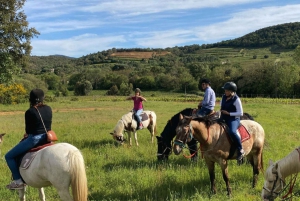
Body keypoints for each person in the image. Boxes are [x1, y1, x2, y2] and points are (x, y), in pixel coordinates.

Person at [5, 89, 52, 190]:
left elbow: (28, 131)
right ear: (42, 99)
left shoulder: (30, 111)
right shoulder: (49, 108)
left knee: (9, 156)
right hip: (47, 138)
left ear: (30, 99)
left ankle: (18, 181)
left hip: (35, 139)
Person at [220, 82, 244, 165]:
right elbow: (221, 107)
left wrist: (229, 113)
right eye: (225, 90)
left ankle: (240, 150)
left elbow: (240, 113)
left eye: (226, 90)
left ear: (231, 91)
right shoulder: (223, 97)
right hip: (223, 117)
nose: (225, 92)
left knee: (232, 132)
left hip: (233, 119)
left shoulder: (236, 99)